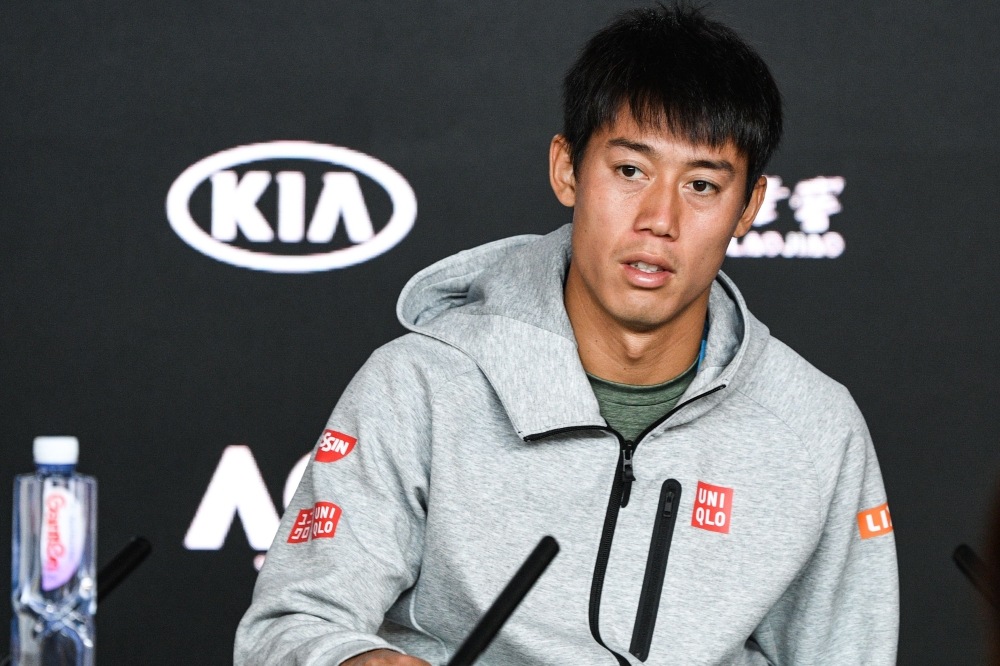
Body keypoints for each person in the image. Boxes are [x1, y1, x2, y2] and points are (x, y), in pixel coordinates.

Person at [235, 6, 899, 665]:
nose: (659, 219)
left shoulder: (815, 427)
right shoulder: (419, 385)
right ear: (567, 170)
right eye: (630, 171)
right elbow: (288, 629)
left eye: (701, 185)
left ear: (748, 208)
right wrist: (351, 662)